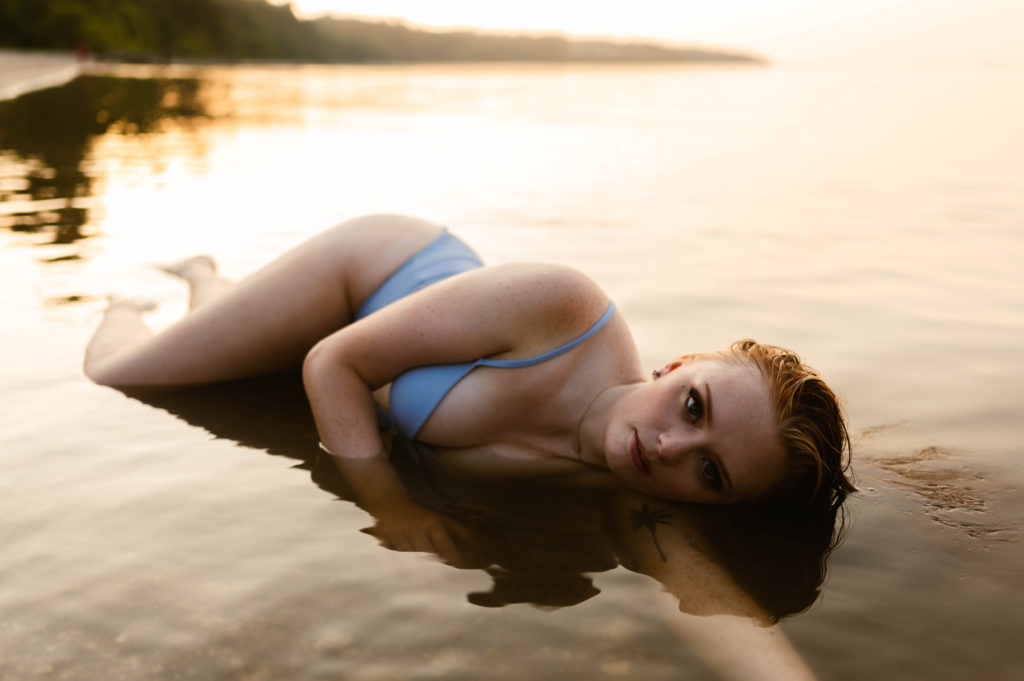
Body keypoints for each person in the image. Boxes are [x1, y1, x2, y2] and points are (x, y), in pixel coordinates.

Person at [84, 214, 855, 557]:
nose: (669, 445)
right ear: (679, 365)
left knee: (231, 353)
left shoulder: (631, 489)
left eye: (710, 470)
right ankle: (130, 301)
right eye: (694, 406)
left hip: (405, 332)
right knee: (123, 376)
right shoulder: (564, 305)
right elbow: (331, 364)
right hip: (375, 273)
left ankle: (208, 281)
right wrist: (390, 505)